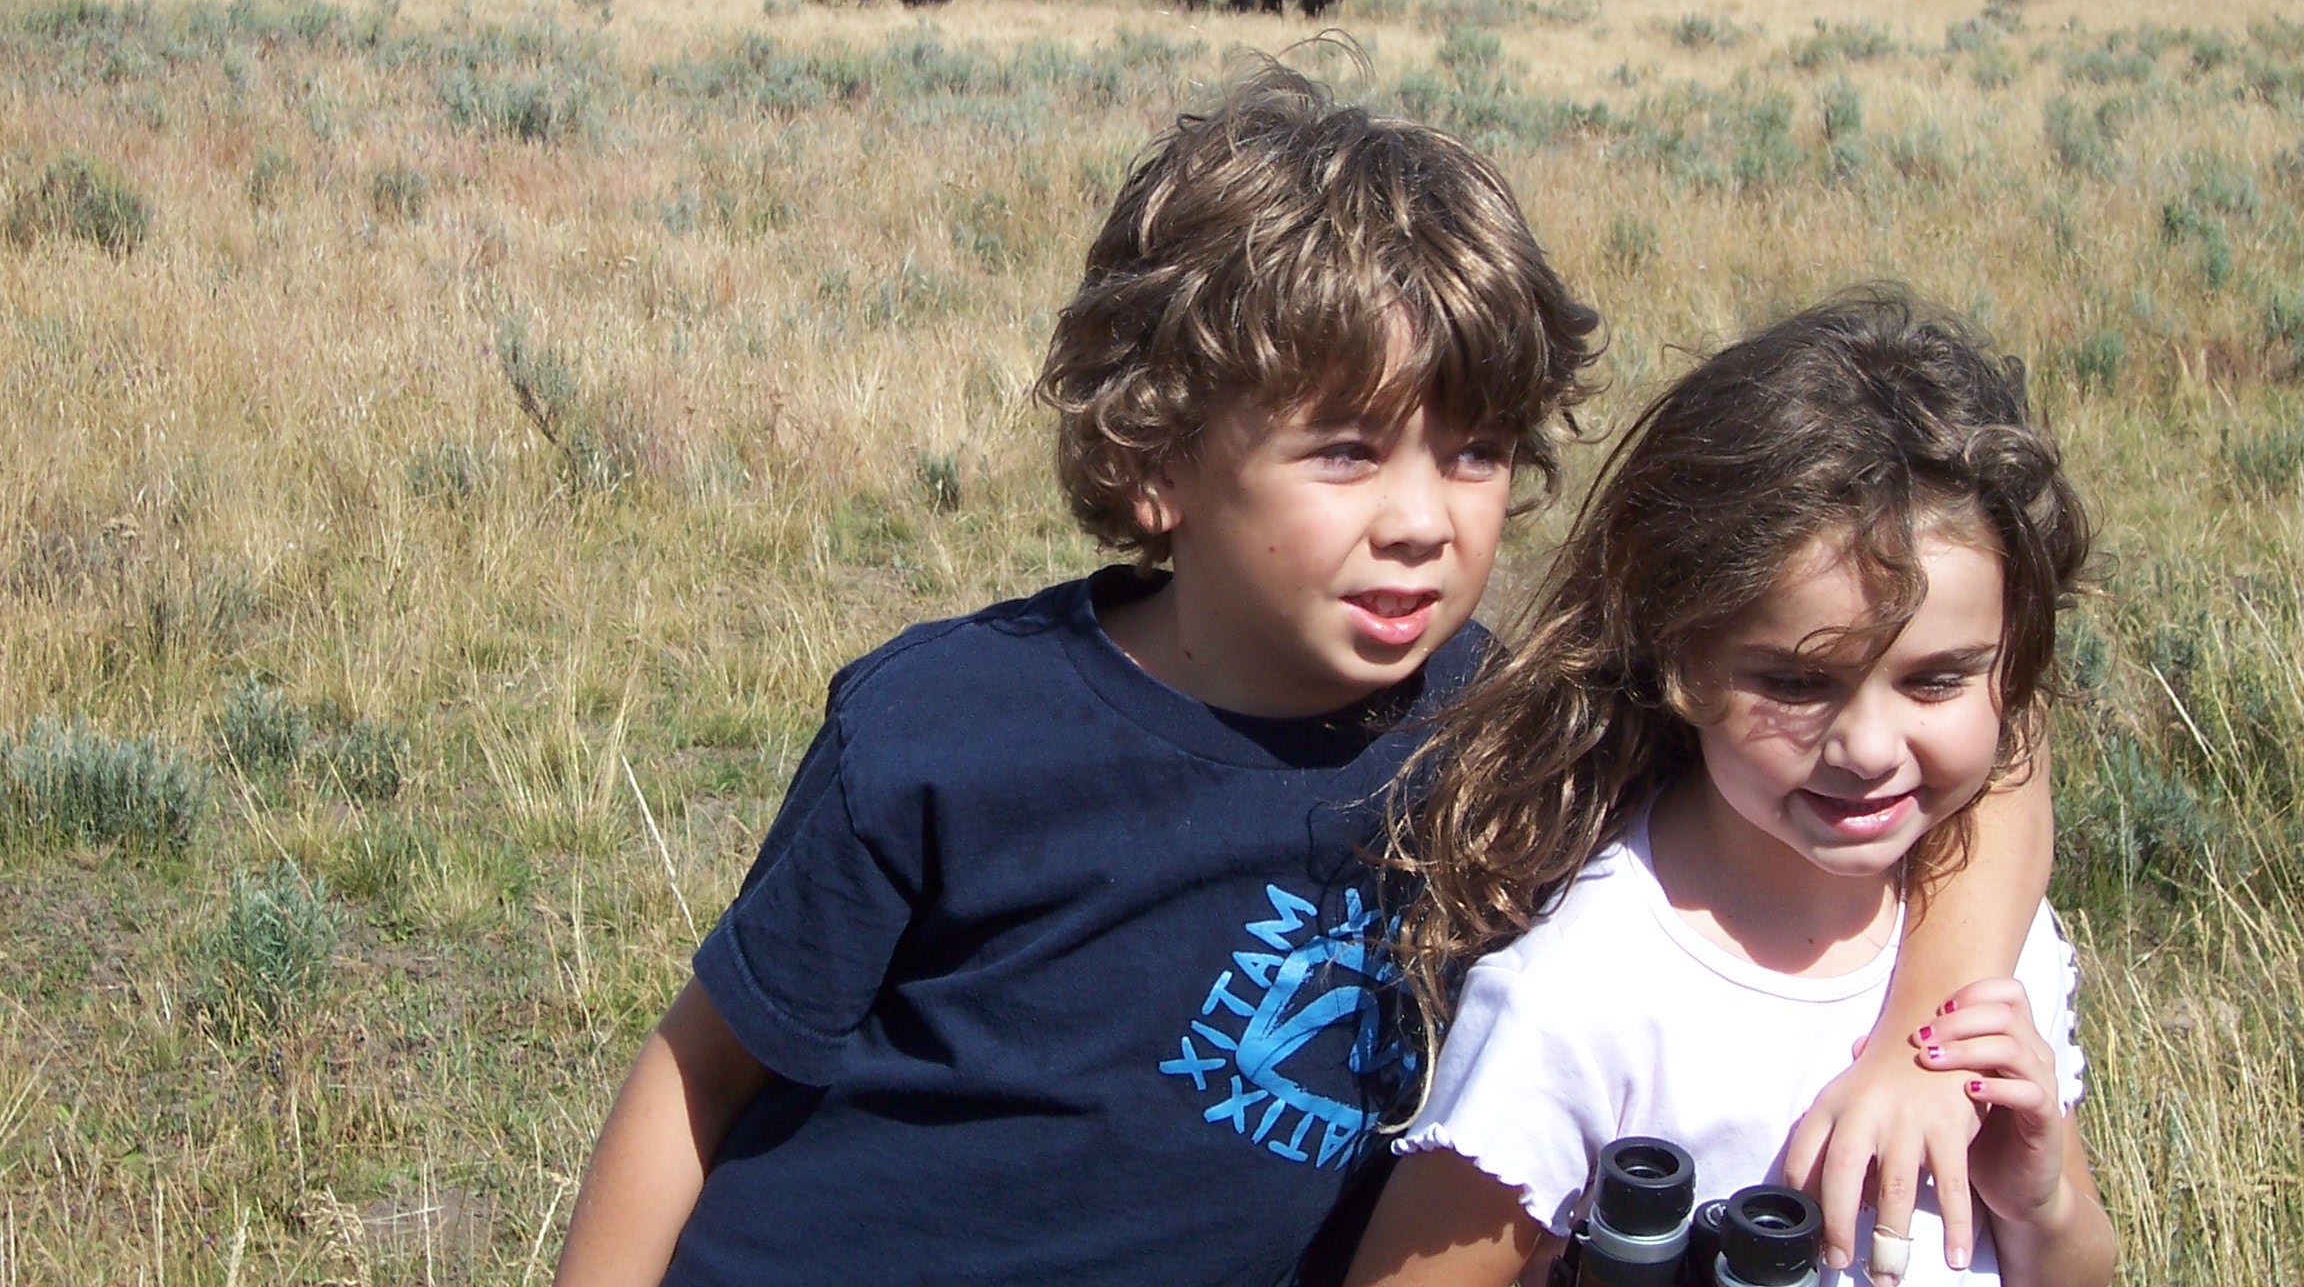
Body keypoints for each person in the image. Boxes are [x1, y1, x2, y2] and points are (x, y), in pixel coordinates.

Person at [550, 67, 2050, 1287]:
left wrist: (1929, 1037)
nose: (1423, 518)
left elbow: (1983, 756)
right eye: (1346, 450)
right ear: (1156, 460)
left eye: (1471, 450)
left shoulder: (1517, 727)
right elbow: (697, 1079)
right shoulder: (944, 730)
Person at [1345, 293, 2117, 1287]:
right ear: (1678, 655)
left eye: (1937, 678)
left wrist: (2042, 1202)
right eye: (1796, 681)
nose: (1871, 747)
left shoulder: (1991, 946)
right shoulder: (1582, 1003)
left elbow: (2079, 1264)